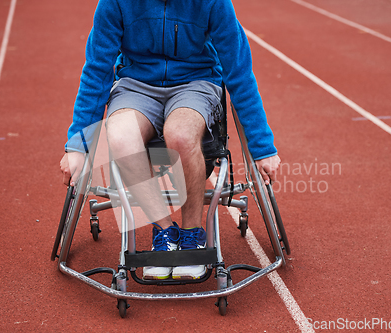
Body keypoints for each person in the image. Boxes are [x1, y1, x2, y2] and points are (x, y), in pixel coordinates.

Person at [60, 0, 281, 281]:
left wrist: (262, 147)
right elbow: (96, 71)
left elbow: (239, 72)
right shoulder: (115, 3)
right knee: (119, 135)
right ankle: (164, 233)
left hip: (196, 83)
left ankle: (192, 235)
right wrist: (78, 145)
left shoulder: (214, 3)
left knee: (181, 135)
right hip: (136, 84)